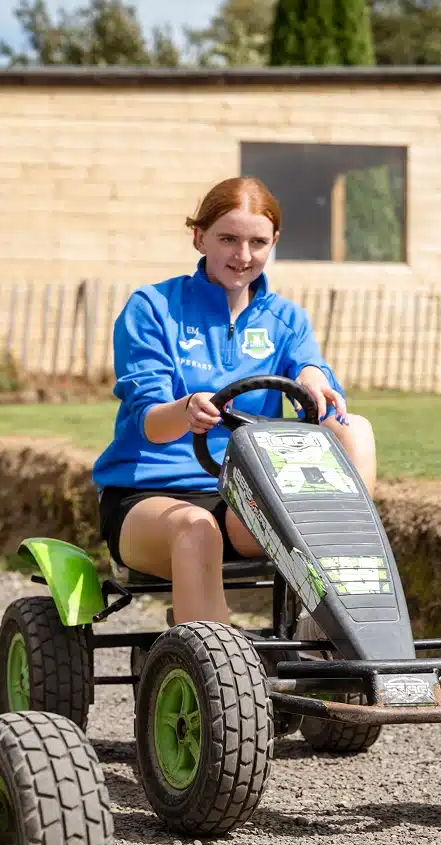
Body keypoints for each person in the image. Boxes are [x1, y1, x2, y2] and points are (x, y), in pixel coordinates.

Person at [91, 176, 377, 628]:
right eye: (228, 239)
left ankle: (334, 621)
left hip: (246, 497)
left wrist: (311, 375)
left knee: (355, 429)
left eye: (257, 242)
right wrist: (186, 409)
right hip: (150, 499)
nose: (243, 256)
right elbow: (149, 423)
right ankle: (222, 676)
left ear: (273, 243)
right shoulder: (152, 308)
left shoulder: (286, 318)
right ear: (199, 236)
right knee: (196, 529)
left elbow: (311, 371)